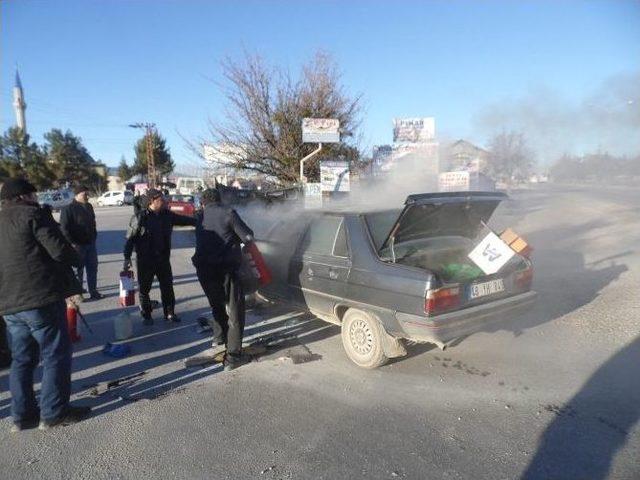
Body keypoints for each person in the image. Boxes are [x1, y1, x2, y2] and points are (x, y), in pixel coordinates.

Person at [0, 178, 90, 431]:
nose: (37, 198)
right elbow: (59, 250)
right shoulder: (33, 215)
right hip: (40, 298)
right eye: (34, 194)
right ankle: (53, 412)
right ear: (25, 196)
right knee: (55, 354)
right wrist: (76, 257)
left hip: (8, 304)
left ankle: (22, 416)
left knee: (21, 359)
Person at [192, 188, 254, 371]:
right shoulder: (229, 213)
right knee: (235, 311)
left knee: (217, 304)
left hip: (204, 270)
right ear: (219, 200)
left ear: (204, 203)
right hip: (225, 270)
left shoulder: (200, 217)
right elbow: (248, 236)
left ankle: (219, 339)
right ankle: (233, 357)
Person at [123, 188, 197, 324]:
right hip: (145, 260)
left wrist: (201, 219)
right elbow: (130, 239)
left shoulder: (167, 215)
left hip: (163, 259)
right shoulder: (140, 217)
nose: (165, 201)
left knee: (167, 287)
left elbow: (186, 220)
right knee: (144, 289)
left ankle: (169, 313)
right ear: (152, 201)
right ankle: (147, 315)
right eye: (161, 199)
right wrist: (127, 258)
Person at [60, 185, 102, 300]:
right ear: (77, 195)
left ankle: (93, 291)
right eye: (85, 194)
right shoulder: (68, 209)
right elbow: (64, 228)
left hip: (90, 243)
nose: (87, 196)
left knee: (92, 268)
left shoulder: (88, 206)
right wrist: (72, 243)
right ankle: (78, 293)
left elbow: (92, 222)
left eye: (88, 194)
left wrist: (94, 236)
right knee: (78, 270)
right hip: (77, 245)